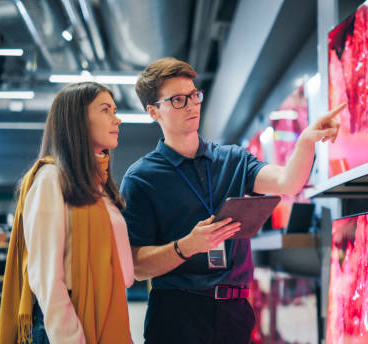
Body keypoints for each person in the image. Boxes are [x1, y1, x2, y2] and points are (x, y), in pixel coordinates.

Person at [120, 57, 345, 343]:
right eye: (178, 100)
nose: (191, 105)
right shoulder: (141, 178)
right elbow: (137, 265)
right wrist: (187, 246)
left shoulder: (233, 159)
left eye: (193, 96)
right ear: (153, 111)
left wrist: (306, 142)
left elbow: (288, 180)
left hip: (235, 312)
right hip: (177, 315)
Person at [0, 82, 134, 344]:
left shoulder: (99, 186)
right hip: (64, 327)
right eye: (105, 110)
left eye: (115, 110)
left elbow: (125, 271)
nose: (116, 118)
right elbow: (46, 278)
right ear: (77, 120)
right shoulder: (51, 179)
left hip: (106, 311)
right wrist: (71, 337)